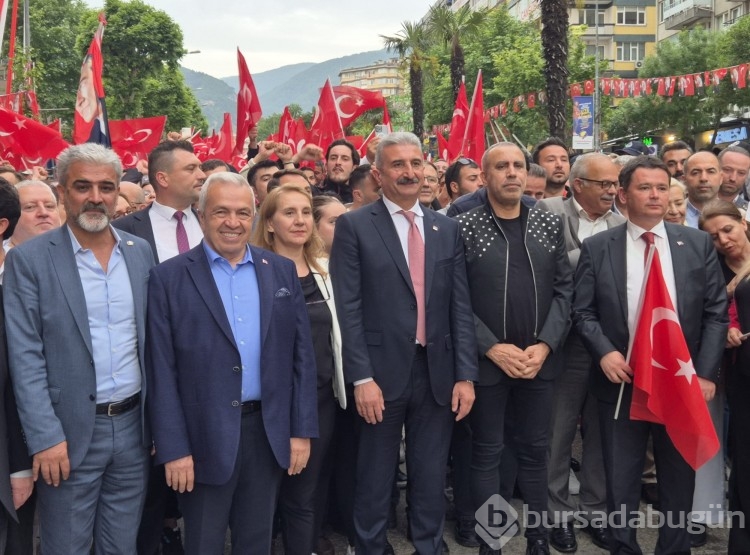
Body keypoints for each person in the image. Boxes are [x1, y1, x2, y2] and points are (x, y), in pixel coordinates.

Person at [145, 172, 318, 554]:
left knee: (255, 542)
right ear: (201, 215)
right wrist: (173, 448)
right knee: (203, 543)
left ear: (255, 216)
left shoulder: (280, 270)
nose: (233, 222)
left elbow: (301, 358)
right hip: (201, 436)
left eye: (243, 212)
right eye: (221, 211)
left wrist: (300, 430)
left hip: (267, 432)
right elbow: (161, 369)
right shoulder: (167, 278)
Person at [330, 132, 478, 555]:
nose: (409, 172)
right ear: (378, 174)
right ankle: (370, 546)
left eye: (416, 163)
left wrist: (465, 374)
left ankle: (428, 545)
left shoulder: (445, 228)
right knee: (374, 476)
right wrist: (361, 377)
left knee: (430, 473)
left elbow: (459, 306)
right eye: (397, 164)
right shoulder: (355, 225)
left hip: (438, 372)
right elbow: (348, 308)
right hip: (379, 373)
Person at [4, 143, 155, 554]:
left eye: (107, 187)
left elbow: (153, 344)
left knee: (121, 545)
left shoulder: (139, 253)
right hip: (66, 433)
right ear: (62, 192)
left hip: (132, 427)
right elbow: (25, 356)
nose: (96, 197)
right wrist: (45, 437)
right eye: (82, 186)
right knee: (65, 546)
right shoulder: (30, 260)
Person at [573, 155, 728, 554]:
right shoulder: (598, 247)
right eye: (645, 187)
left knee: (678, 479)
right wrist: (604, 352)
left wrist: (706, 373)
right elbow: (582, 311)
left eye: (662, 187)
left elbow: (714, 313)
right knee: (620, 479)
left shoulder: (695, 244)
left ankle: (674, 547)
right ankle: (623, 546)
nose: (656, 195)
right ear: (623, 195)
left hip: (680, 381)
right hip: (622, 382)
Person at [457, 143, 573, 555]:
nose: (511, 173)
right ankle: (494, 541)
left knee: (535, 451)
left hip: (537, 363)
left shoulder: (547, 221)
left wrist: (545, 345)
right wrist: (491, 347)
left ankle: (538, 538)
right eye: (501, 167)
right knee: (487, 453)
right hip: (489, 364)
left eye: (518, 166)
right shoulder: (464, 226)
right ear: (485, 176)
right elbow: (455, 299)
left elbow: (565, 290)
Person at [535, 153, 624, 553]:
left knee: (602, 432)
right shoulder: (548, 211)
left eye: (614, 184)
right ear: (577, 184)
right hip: (562, 342)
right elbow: (540, 272)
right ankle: (557, 516)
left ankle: (595, 511)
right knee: (558, 432)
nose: (610, 191)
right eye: (602, 184)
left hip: (607, 344)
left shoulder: (623, 223)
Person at [252, 183, 345, 555]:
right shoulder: (254, 269)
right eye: (289, 212)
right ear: (270, 223)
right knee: (270, 492)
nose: (300, 220)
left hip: (321, 398)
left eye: (306, 212)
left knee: (308, 488)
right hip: (270, 402)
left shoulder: (325, 270)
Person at [684, 150, 721, 228]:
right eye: (695, 172)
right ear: (684, 180)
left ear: (721, 178)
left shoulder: (737, 215)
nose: (703, 178)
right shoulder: (671, 216)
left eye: (711, 172)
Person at [718, 145, 750, 209]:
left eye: (741, 173)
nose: (733, 178)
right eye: (727, 170)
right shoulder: (696, 205)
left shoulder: (748, 214)